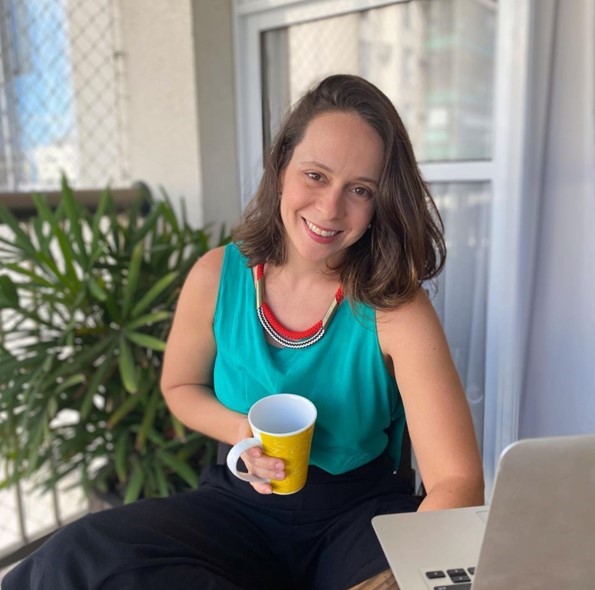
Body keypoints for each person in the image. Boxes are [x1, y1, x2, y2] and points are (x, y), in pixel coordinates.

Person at [3, 74, 483, 590]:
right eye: (316, 175)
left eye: (360, 190)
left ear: (381, 203)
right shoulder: (217, 276)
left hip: (359, 515)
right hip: (239, 505)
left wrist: (405, 577)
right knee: (76, 556)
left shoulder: (396, 306)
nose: (330, 208)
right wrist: (242, 435)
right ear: (281, 167)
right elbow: (180, 387)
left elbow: (457, 481)